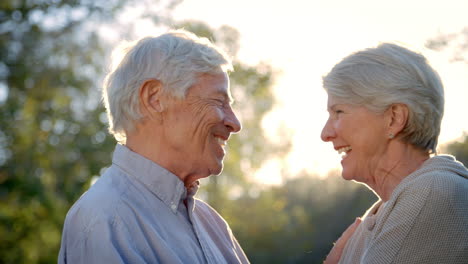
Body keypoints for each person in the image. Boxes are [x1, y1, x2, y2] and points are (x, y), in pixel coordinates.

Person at [58, 30, 249, 263]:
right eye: (219, 101)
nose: (235, 123)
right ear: (154, 98)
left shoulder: (214, 225)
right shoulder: (104, 219)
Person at [320, 43, 468, 264]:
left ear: (394, 118)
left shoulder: (433, 193)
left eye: (339, 112)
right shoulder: (388, 210)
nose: (325, 133)